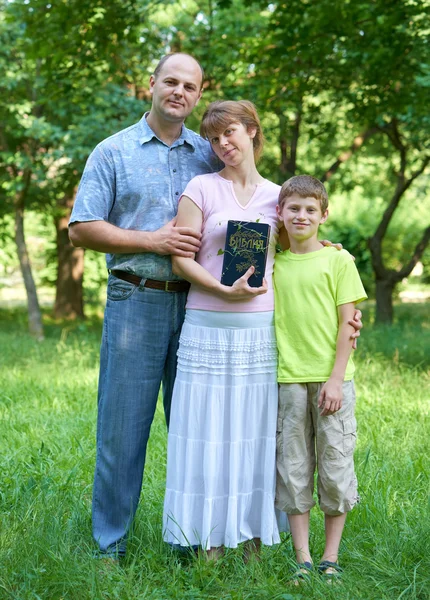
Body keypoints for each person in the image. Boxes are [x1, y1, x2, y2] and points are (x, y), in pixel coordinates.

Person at [162, 102, 362, 559]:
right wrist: (221, 288)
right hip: (207, 327)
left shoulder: (277, 196)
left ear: (252, 131)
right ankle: (209, 539)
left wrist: (335, 258)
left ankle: (252, 537)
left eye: (230, 133)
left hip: (259, 332)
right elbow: (181, 257)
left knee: (255, 435)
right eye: (213, 139)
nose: (223, 145)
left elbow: (299, 248)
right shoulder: (200, 187)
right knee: (208, 432)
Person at [68, 53, 221, 558]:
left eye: (190, 86)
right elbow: (82, 228)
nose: (179, 91)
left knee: (194, 428)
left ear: (200, 95)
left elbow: (253, 206)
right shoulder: (113, 152)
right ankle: (109, 548)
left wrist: (312, 242)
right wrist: (152, 241)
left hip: (201, 307)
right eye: (171, 82)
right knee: (123, 431)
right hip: (135, 299)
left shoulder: (211, 154)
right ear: (151, 85)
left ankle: (192, 541)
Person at [273, 175, 367, 582]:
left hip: (332, 380)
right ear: (280, 213)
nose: (301, 215)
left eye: (310, 209)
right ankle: (303, 558)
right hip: (287, 378)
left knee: (334, 465)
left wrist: (335, 377)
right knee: (292, 468)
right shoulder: (273, 263)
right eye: (293, 207)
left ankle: (330, 557)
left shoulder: (338, 261)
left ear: (324, 215)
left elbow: (350, 323)